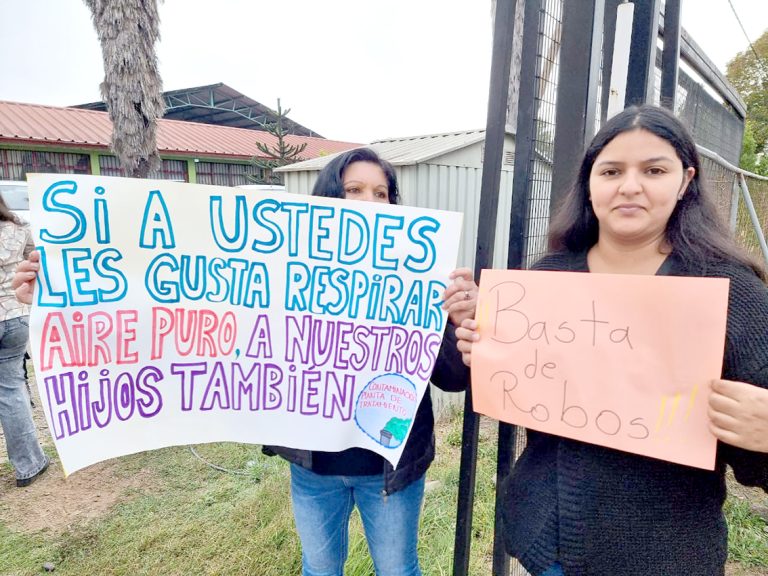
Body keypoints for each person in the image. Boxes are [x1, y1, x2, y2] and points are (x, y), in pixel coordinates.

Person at [454, 105, 768, 576]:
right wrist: (484, 352)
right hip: (548, 546)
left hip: (667, 558)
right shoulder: (547, 279)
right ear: (590, 182)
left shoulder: (733, 292)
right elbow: (515, 395)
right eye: (612, 170)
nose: (629, 185)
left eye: (654, 170)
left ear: (685, 180)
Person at [257, 147, 473, 576]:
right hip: (314, 467)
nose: (369, 203)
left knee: (397, 570)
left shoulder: (422, 277)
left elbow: (452, 379)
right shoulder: (288, 275)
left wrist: (455, 321)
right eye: (353, 190)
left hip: (388, 470)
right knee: (319, 568)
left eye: (381, 193)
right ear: (327, 203)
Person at [0, 195, 49, 487]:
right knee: (11, 390)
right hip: (15, 315)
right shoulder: (19, 228)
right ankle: (29, 465)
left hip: (16, 309)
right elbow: (40, 262)